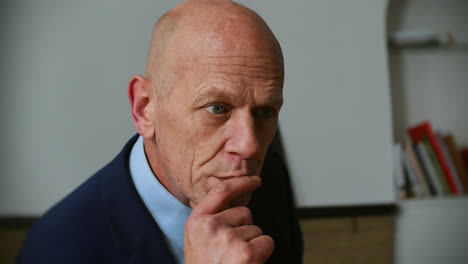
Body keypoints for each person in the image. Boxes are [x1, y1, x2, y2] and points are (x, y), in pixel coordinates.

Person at [17, 0, 303, 263]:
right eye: (217, 108)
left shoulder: (269, 180)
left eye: (265, 112)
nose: (249, 146)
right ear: (144, 108)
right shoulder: (56, 250)